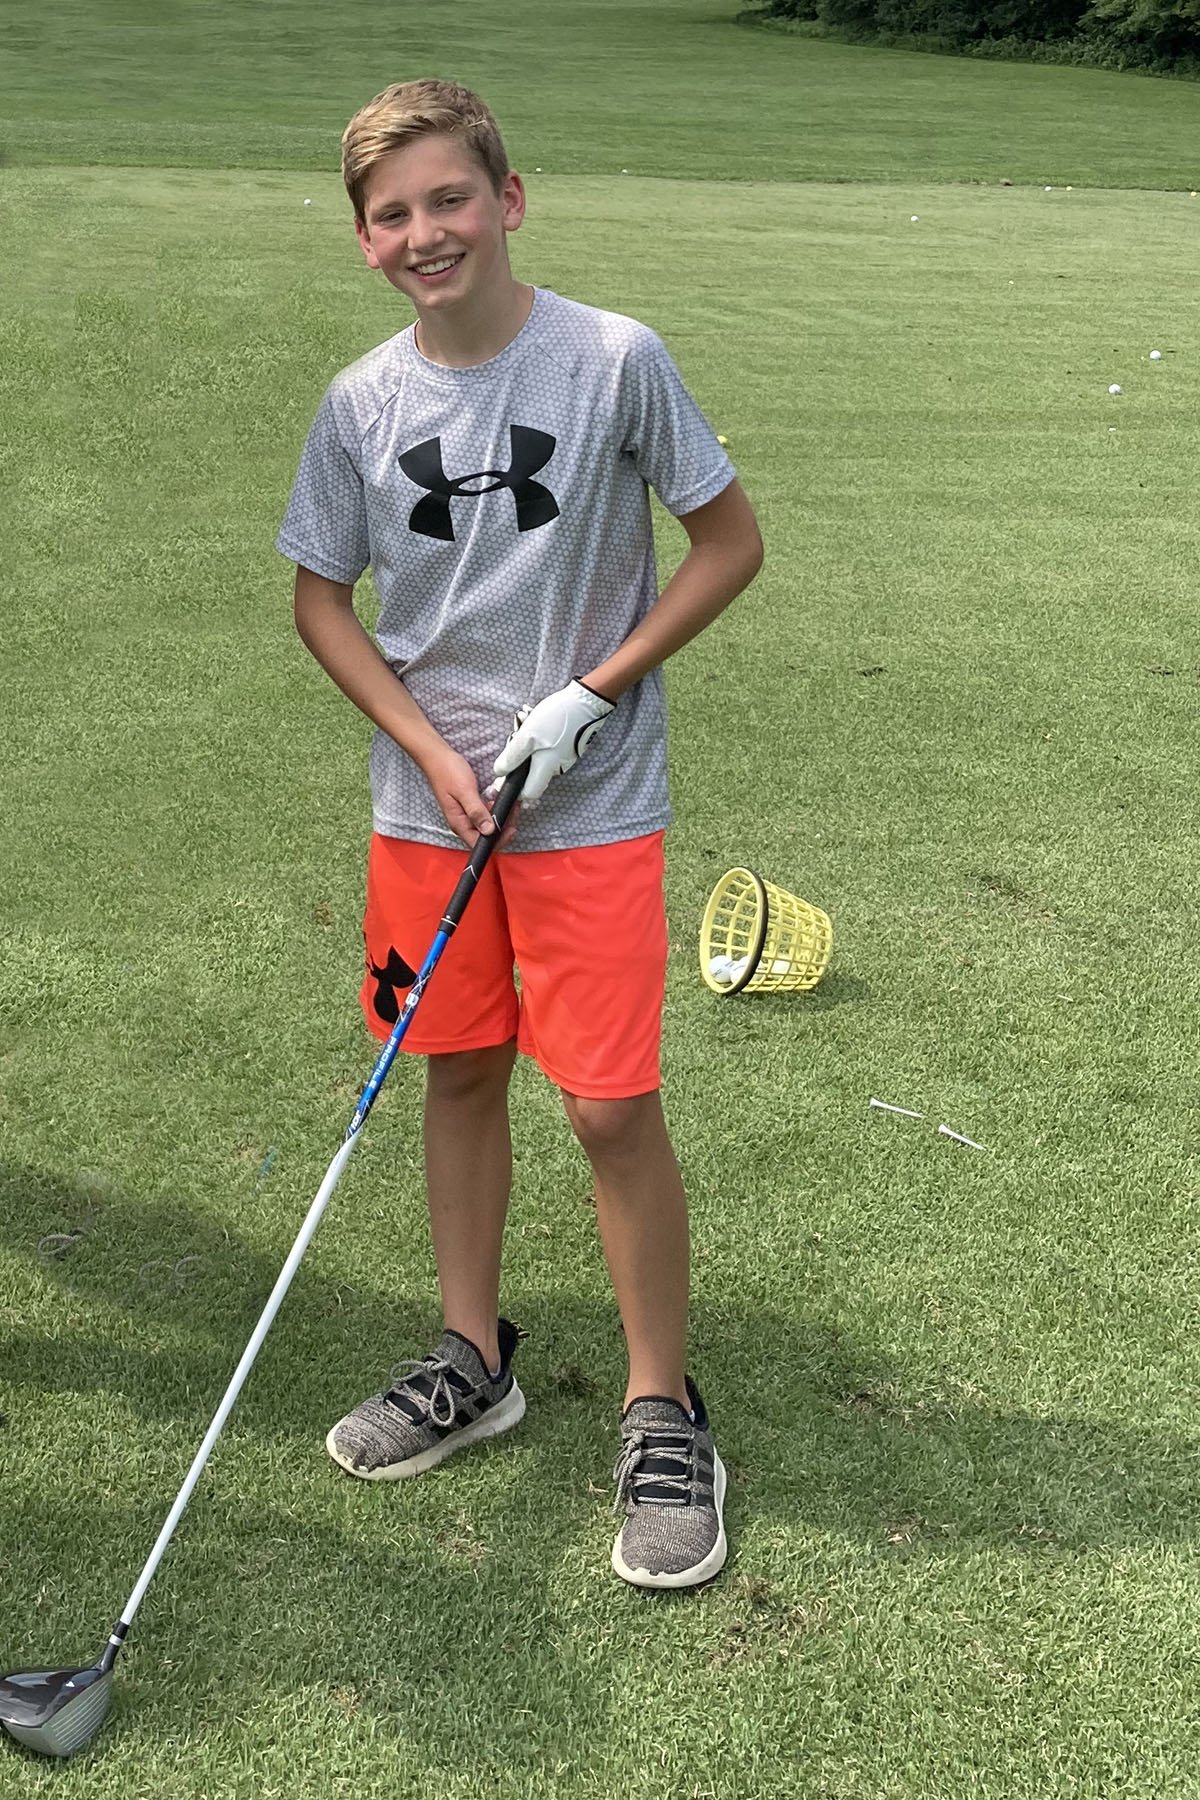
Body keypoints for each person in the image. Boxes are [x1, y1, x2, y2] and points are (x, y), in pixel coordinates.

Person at [276, 78, 763, 1589]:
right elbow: (319, 597)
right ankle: (470, 1355)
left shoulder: (615, 360)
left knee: (609, 1106)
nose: (426, 233)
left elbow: (728, 542)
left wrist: (592, 693)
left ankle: (659, 1402)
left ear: (508, 199)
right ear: (363, 239)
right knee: (459, 1068)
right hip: (426, 818)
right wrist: (426, 749)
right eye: (392, 215)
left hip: (590, 806)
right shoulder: (362, 403)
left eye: (447, 199)